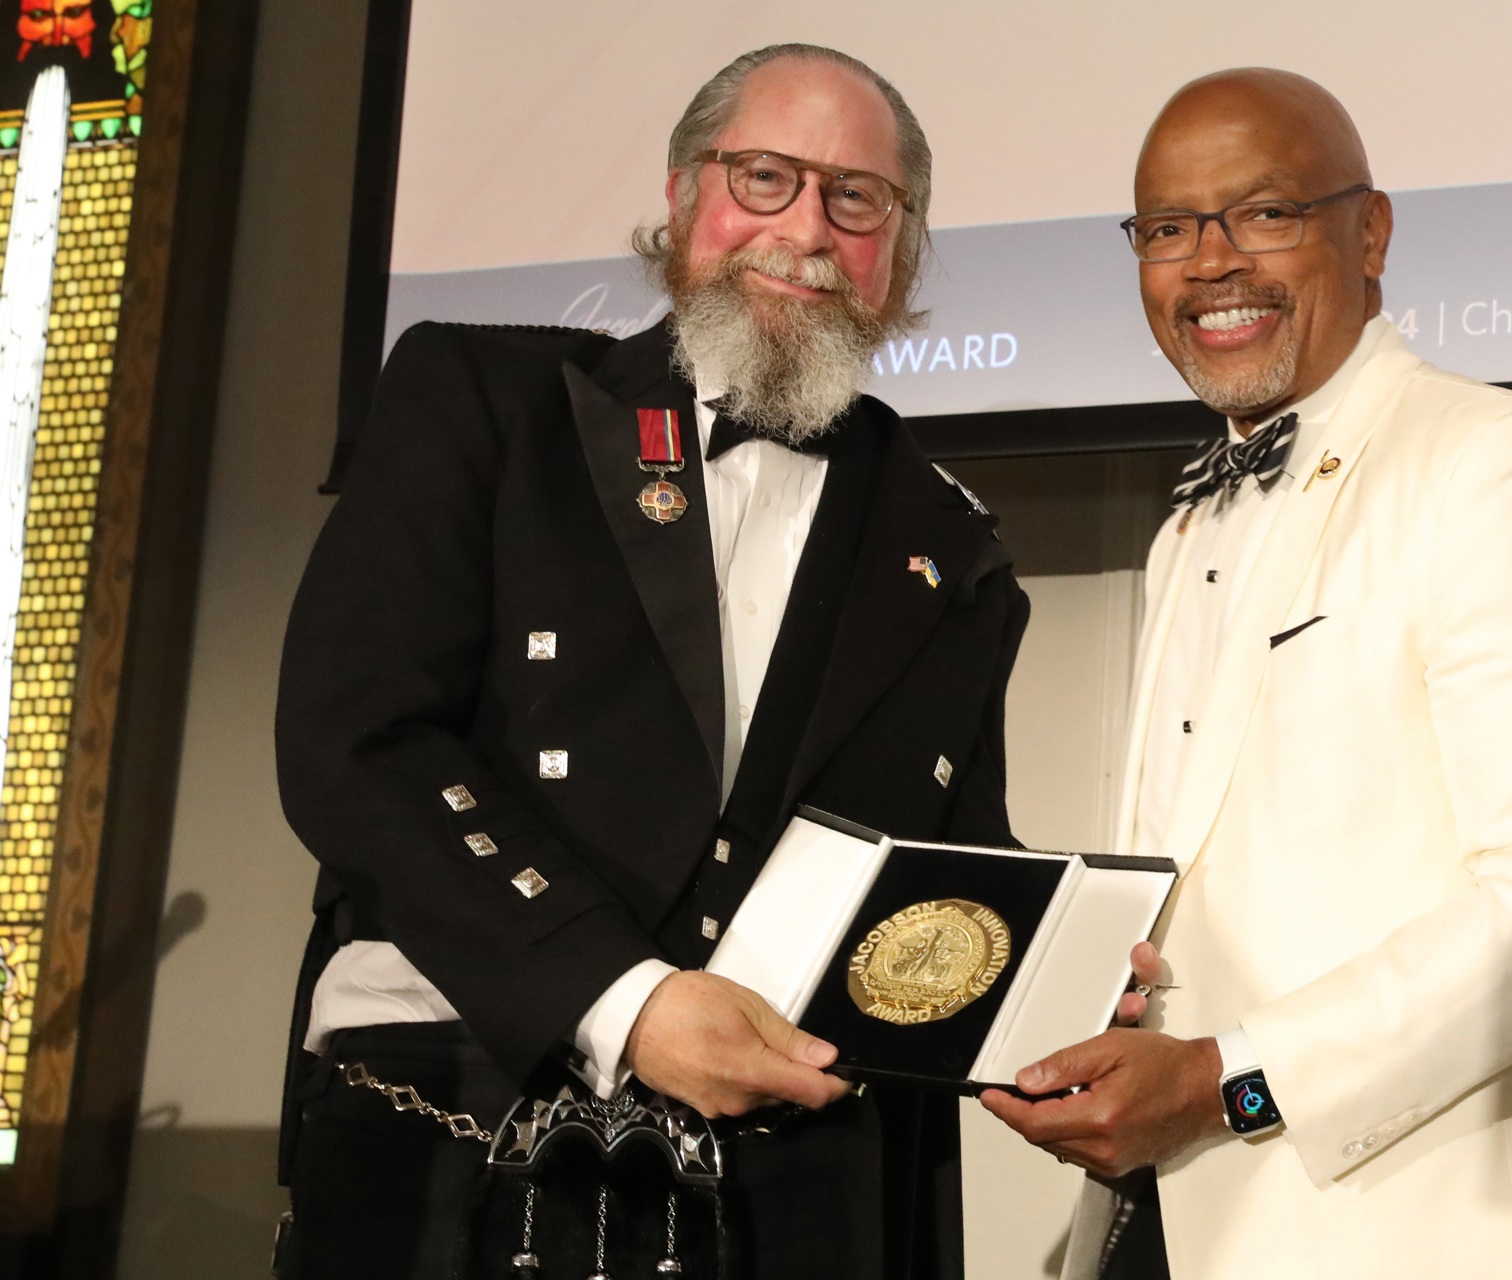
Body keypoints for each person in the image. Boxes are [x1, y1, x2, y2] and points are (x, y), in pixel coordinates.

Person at [274, 43, 1026, 1280]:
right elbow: (357, 745)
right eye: (767, 177)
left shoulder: (953, 545)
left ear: (902, 246)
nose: (808, 230)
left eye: (858, 199)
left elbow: (944, 864)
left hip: (798, 1180)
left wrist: (1054, 981)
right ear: (683, 200)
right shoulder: (482, 397)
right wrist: (623, 999)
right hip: (462, 1123)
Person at [981, 68, 1512, 1280]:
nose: (1210, 264)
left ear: (1371, 231)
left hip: (1439, 1230)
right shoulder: (1187, 528)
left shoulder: (1500, 460)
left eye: (1264, 213)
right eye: (1166, 229)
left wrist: (1224, 1081)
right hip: (1181, 1215)